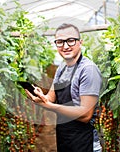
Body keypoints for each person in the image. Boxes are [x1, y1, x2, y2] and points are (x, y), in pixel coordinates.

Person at [26, 23, 102, 152]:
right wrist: (40, 97)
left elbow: (85, 115)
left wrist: (49, 106)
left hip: (85, 142)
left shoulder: (88, 69)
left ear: (80, 42)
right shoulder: (62, 67)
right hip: (65, 139)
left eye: (71, 41)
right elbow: (51, 96)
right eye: (60, 42)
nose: (65, 46)